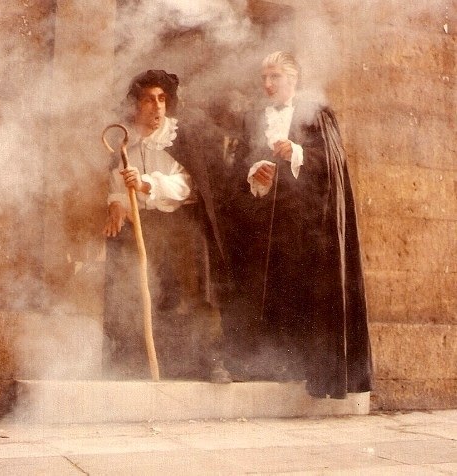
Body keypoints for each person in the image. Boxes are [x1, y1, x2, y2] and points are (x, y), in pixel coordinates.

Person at [219, 51, 372, 398]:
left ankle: (302, 366)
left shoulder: (317, 113)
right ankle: (261, 364)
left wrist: (297, 153)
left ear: (293, 79)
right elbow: (238, 162)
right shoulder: (253, 117)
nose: (268, 84)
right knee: (261, 288)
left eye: (275, 77)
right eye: (264, 77)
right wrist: (253, 173)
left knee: (300, 292)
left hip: (306, 224)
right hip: (261, 223)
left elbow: (333, 161)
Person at [102, 69, 231, 383]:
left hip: (180, 225)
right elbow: (116, 185)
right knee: (137, 290)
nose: (157, 106)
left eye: (162, 99)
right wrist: (117, 203)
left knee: (193, 292)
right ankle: (137, 361)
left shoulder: (178, 137)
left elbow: (187, 185)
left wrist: (145, 183)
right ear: (136, 105)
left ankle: (210, 361)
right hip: (142, 225)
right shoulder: (125, 142)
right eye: (149, 100)